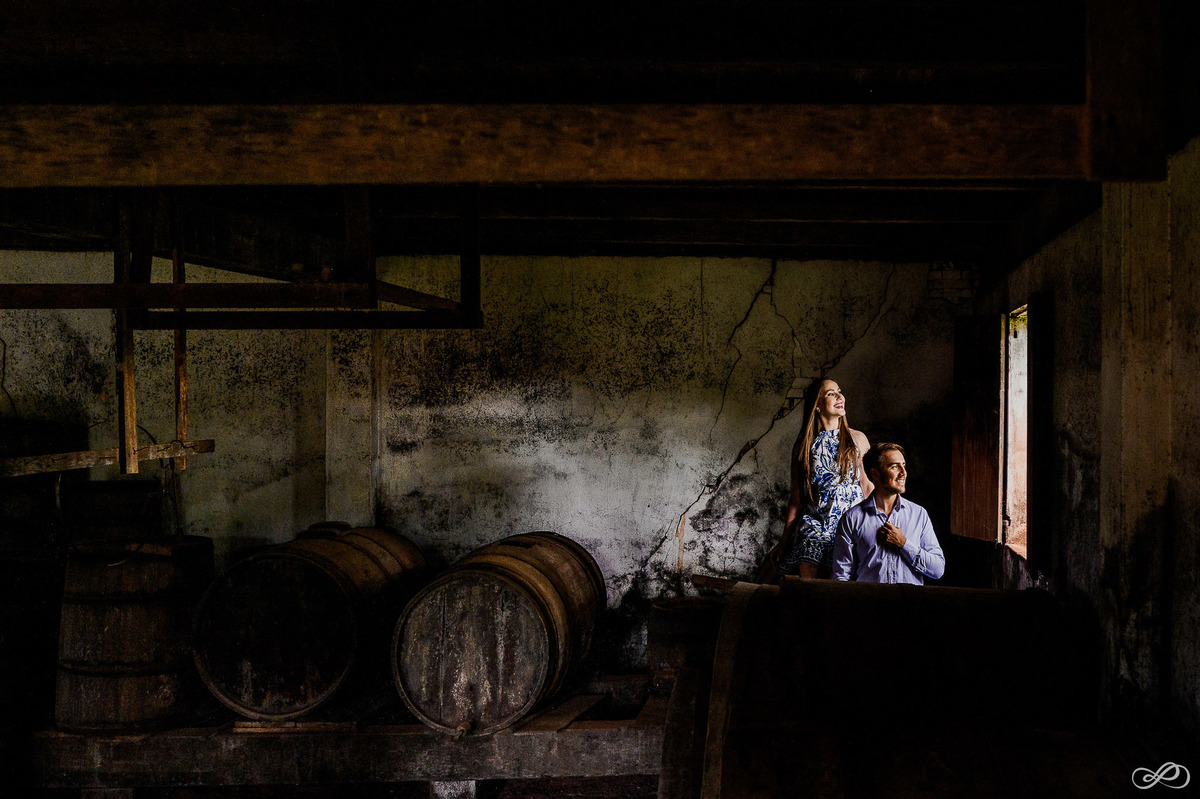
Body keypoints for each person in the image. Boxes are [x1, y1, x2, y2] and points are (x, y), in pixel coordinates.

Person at [772, 378, 873, 579]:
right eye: (830, 393)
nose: (839, 396)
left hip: (850, 525)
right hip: (816, 526)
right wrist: (784, 541)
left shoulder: (857, 439)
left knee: (840, 586)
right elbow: (797, 498)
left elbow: (867, 485)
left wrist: (880, 522)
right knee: (809, 583)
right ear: (816, 405)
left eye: (839, 391)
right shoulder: (804, 446)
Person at [831, 442, 944, 584]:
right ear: (875, 474)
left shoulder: (919, 515)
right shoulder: (852, 518)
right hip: (869, 603)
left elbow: (938, 569)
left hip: (910, 604)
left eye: (904, 465)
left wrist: (904, 544)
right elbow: (842, 576)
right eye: (895, 466)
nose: (903, 473)